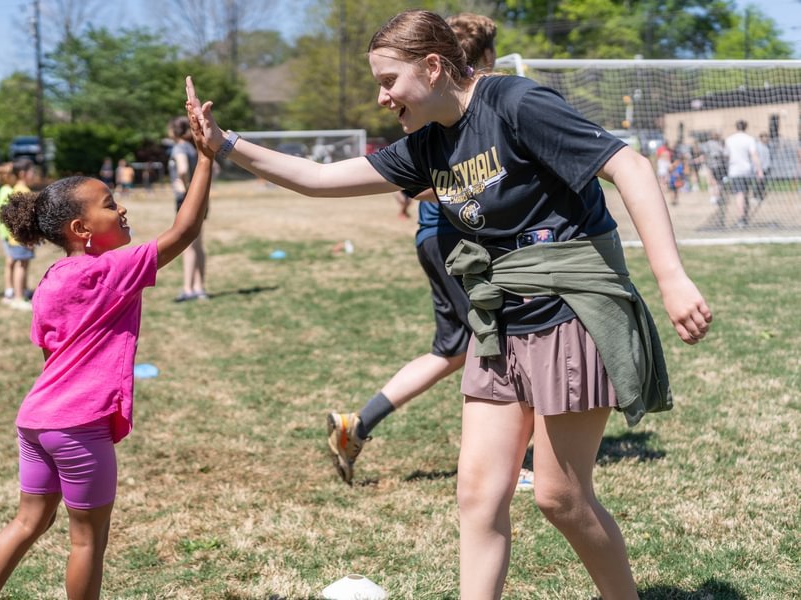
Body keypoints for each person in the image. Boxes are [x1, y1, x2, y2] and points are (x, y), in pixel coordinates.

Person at [190, 10, 712, 599]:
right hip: (497, 322)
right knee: (477, 493)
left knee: (559, 497)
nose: (382, 97)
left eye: (389, 80)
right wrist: (226, 144)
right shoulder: (427, 145)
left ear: (433, 67)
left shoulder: (516, 104)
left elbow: (630, 166)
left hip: (568, 312)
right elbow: (317, 177)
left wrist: (672, 278)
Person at [0, 78, 214, 600]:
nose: (121, 208)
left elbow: (47, 348)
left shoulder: (52, 279)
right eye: (109, 204)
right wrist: (207, 157)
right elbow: (185, 230)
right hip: (79, 426)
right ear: (83, 229)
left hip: (35, 420)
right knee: (87, 542)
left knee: (27, 523)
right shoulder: (111, 269)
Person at [327, 12, 514, 487]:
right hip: (456, 240)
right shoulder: (455, 105)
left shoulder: (447, 104)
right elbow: (425, 183)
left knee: (451, 349)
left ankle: (357, 424)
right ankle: (511, 461)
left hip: (433, 240)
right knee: (501, 340)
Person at [168, 115, 209, 302]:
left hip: (187, 200)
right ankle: (199, 288)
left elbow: (182, 169)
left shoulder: (179, 148)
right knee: (198, 244)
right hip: (200, 198)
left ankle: (188, 289)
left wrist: (185, 188)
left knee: (188, 246)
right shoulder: (193, 148)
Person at [0, 159, 36, 311]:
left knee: (23, 264)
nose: (34, 175)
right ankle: (18, 298)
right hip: (22, 238)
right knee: (21, 265)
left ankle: (23, 292)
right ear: (23, 173)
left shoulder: (18, 189)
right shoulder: (23, 191)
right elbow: (23, 219)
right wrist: (29, 237)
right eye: (32, 172)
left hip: (19, 237)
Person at [724, 119, 763, 227]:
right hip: (747, 170)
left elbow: (726, 155)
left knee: (739, 194)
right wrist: (759, 170)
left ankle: (742, 218)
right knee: (744, 193)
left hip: (735, 170)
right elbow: (754, 155)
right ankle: (743, 217)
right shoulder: (749, 139)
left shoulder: (729, 139)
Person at [754, 132, 771, 204]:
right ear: (761, 138)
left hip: (766, 167)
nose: (766, 138)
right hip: (759, 167)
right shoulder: (757, 146)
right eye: (764, 137)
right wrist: (757, 167)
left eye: (767, 137)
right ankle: (756, 196)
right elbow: (756, 157)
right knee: (759, 182)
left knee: (763, 183)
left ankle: (760, 196)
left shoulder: (767, 146)